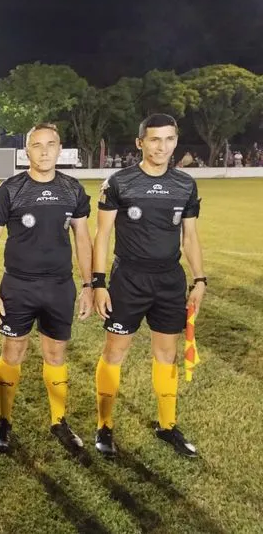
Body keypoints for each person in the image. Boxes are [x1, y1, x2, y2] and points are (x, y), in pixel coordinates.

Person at [92, 113, 205, 458]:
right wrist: (99, 283)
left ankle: (167, 425)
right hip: (128, 279)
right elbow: (102, 235)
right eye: (154, 139)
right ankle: (104, 426)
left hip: (170, 281)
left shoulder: (185, 185)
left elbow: (190, 237)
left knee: (166, 354)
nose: (162, 147)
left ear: (176, 141)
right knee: (115, 352)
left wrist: (199, 279)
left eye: (169, 139)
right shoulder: (119, 182)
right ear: (140, 143)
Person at [0, 123, 93, 454]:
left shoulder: (72, 189)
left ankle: (59, 421)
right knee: (12, 352)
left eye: (50, 144)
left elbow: (83, 239)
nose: (44, 151)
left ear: (60, 149)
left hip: (59, 287)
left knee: (55, 354)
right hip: (19, 286)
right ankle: (4, 419)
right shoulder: (10, 190)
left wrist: (89, 284)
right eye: (36, 145)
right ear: (26, 151)